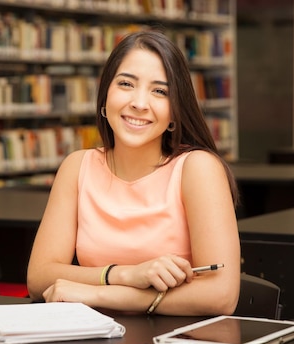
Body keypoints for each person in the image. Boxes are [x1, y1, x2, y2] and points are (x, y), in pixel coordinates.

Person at [27, 30, 240, 316]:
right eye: (126, 84)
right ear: (106, 94)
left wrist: (100, 294)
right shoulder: (77, 166)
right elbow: (39, 277)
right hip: (92, 340)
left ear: (175, 111)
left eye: (159, 91)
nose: (139, 103)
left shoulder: (198, 168)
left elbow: (221, 295)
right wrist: (126, 275)